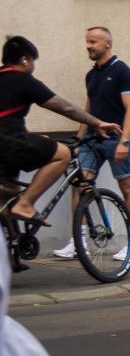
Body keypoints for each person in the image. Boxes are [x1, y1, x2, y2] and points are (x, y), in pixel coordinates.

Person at [0, 35, 121, 227]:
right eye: (32, 61)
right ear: (25, 59)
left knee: (8, 192)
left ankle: (13, 246)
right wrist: (97, 123)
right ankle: (26, 204)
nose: (32, 66)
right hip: (8, 141)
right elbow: (66, 108)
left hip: (8, 145)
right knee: (63, 154)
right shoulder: (24, 80)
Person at [53, 26, 130, 261]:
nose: (88, 46)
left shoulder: (122, 71)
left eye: (93, 41)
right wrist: (80, 138)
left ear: (107, 43)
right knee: (80, 185)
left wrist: (124, 141)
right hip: (92, 140)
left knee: (126, 187)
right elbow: (89, 108)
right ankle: (79, 241)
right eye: (87, 42)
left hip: (116, 138)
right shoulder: (92, 74)